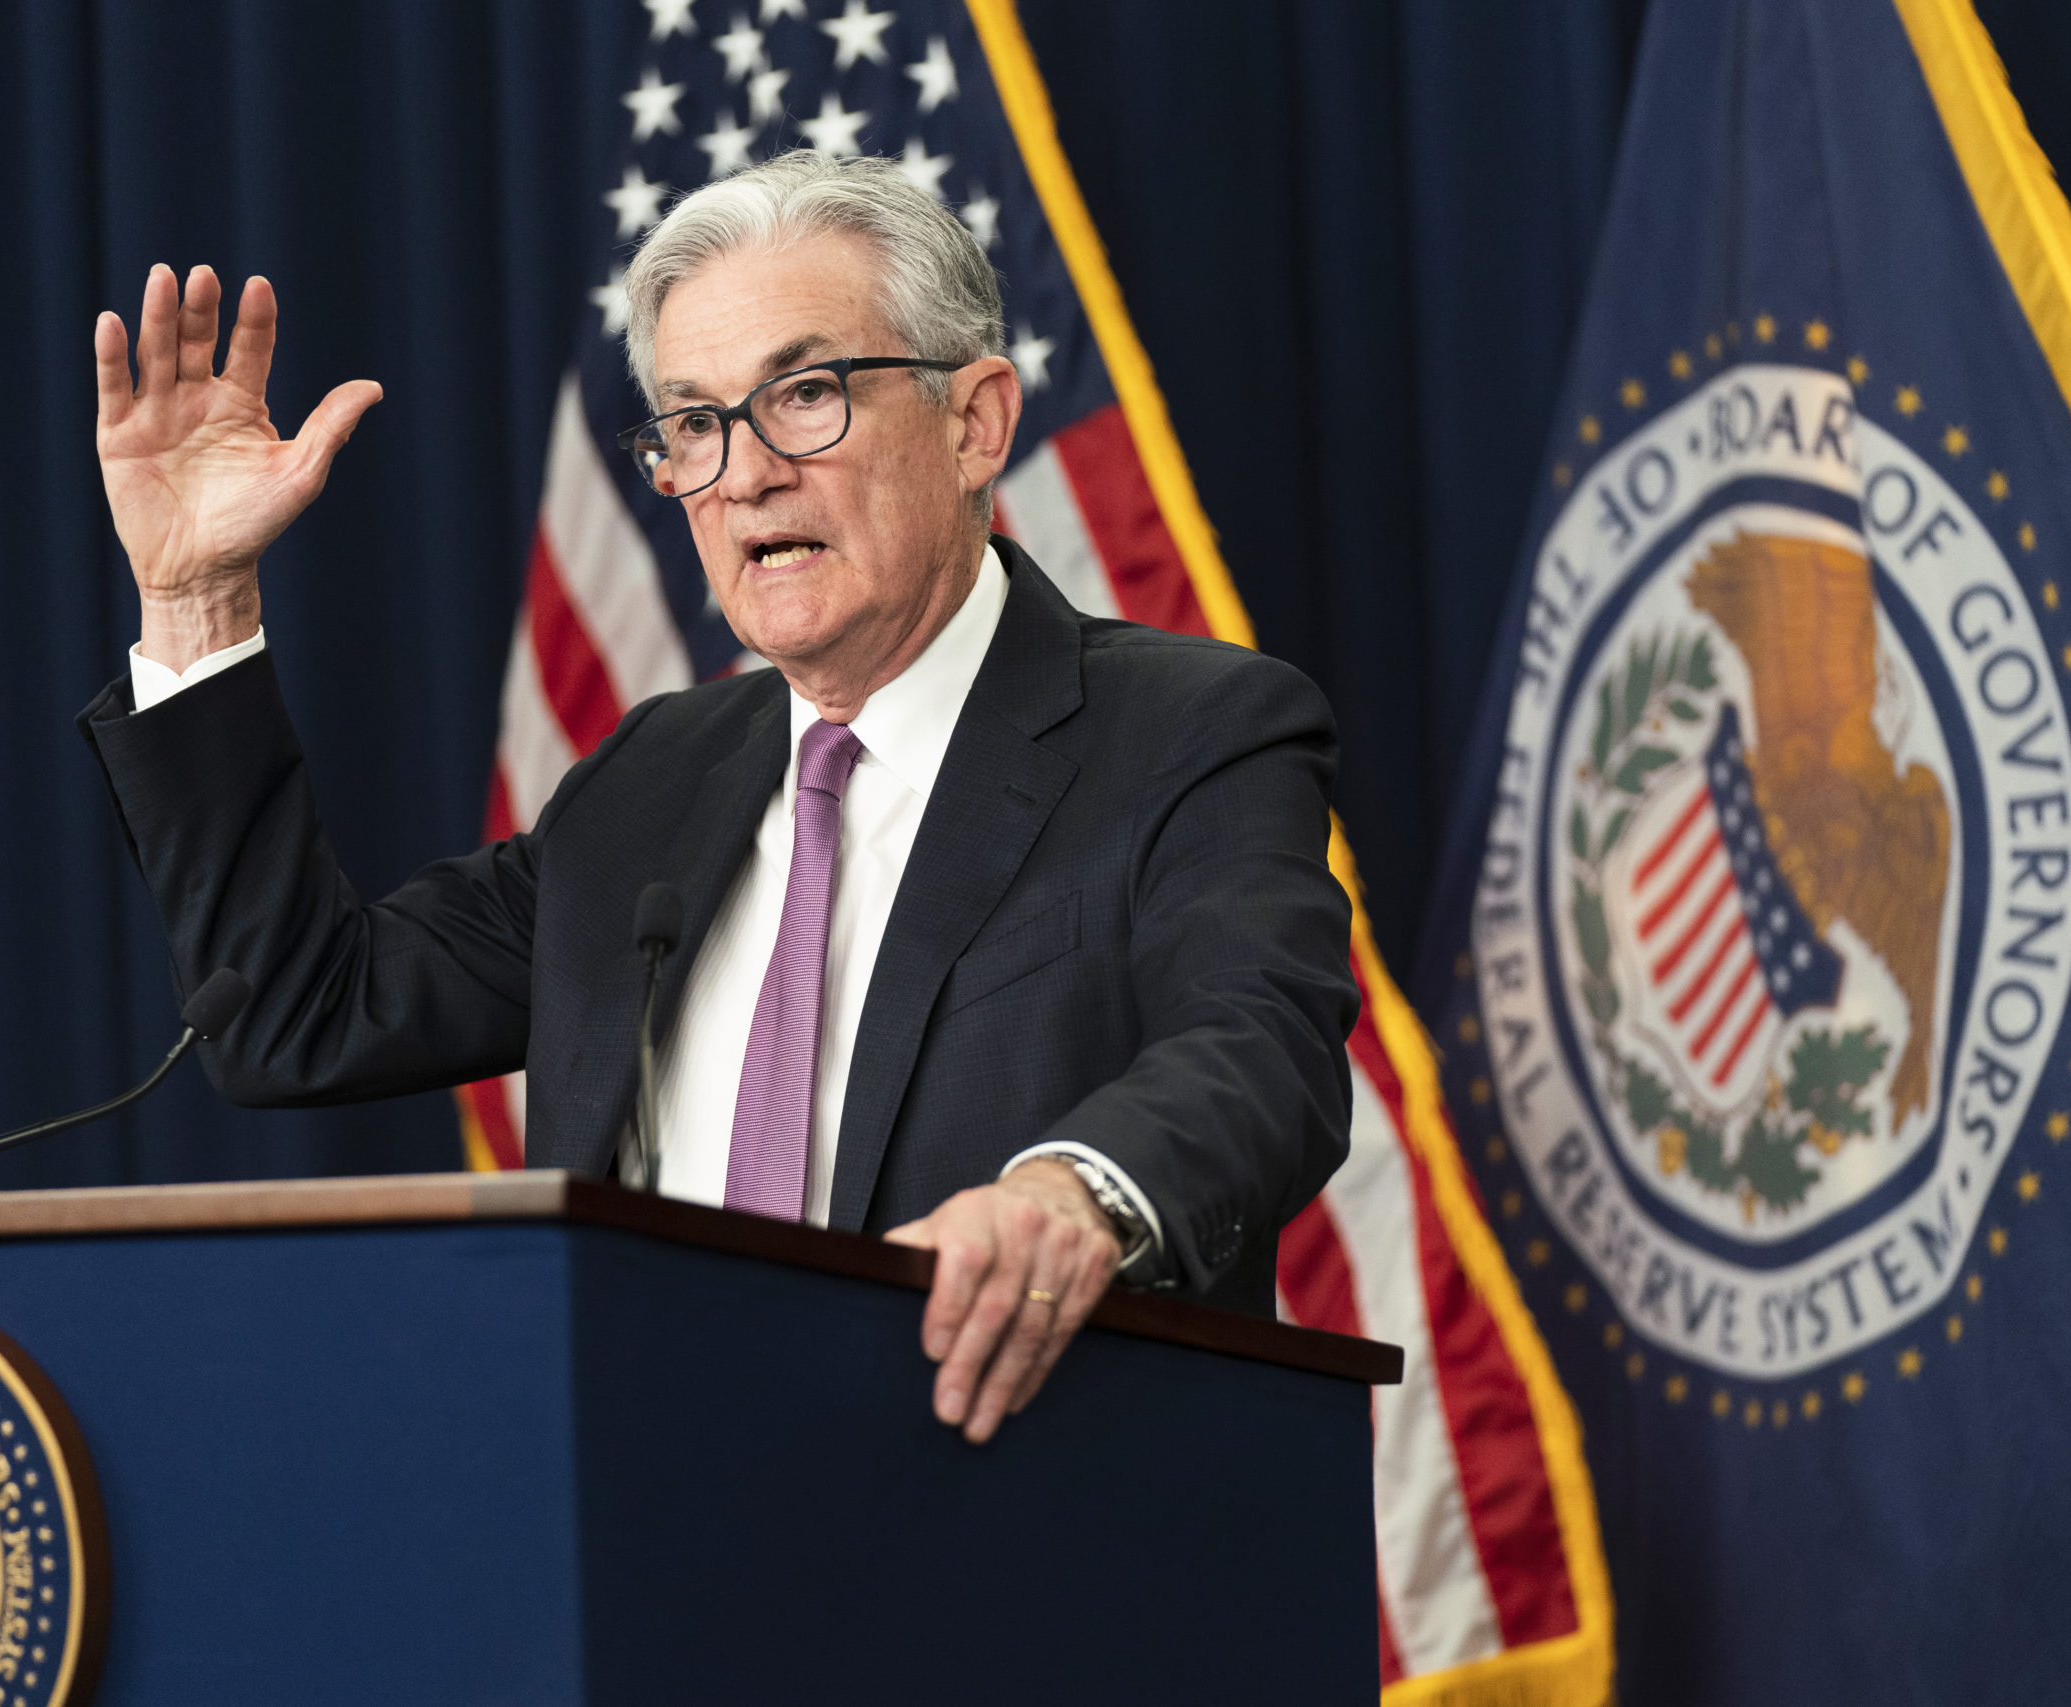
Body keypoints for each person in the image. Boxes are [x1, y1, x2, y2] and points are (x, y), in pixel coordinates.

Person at [78, 152, 1356, 1445]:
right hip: (649, 1548)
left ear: (975, 422)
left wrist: (1067, 1197)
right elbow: (301, 1015)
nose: (743, 475)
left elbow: (1260, 1047)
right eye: (693, 425)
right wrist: (195, 602)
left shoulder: (1190, 734)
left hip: (1006, 1554)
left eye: (804, 395)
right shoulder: (651, 784)